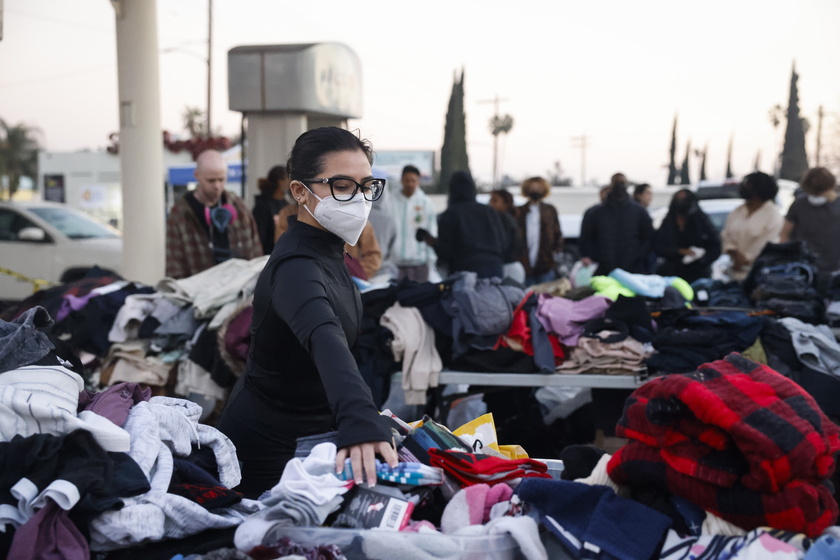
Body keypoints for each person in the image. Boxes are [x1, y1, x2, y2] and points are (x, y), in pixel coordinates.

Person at [216, 127, 398, 498]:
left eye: (366, 186)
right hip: (266, 454)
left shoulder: (332, 253)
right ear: (300, 192)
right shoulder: (296, 266)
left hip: (314, 441)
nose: (360, 199)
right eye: (343, 185)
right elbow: (324, 337)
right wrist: (360, 417)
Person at [165, 149, 262, 279]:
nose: (217, 186)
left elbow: (255, 252)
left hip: (240, 289)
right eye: (211, 181)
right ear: (197, 175)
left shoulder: (239, 206)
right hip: (199, 293)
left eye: (221, 179)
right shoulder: (180, 213)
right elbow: (174, 263)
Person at [416, 171, 513, 278]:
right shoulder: (489, 211)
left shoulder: (450, 214)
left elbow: (445, 251)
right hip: (494, 270)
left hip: (464, 273)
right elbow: (504, 242)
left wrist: (431, 242)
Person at [579, 173, 654, 276]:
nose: (619, 187)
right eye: (617, 183)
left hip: (632, 267)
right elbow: (587, 238)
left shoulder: (639, 212)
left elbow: (648, 238)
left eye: (622, 183)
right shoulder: (595, 213)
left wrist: (638, 256)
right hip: (605, 267)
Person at [780, 167, 840, 290]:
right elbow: (784, 234)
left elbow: (784, 234)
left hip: (833, 269)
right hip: (805, 268)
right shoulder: (799, 205)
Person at [720, 171, 783, 282]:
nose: (743, 188)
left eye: (747, 185)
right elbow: (726, 235)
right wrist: (733, 253)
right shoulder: (737, 212)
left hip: (759, 275)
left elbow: (767, 243)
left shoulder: (773, 215)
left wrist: (746, 259)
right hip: (732, 273)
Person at [653, 189, 721, 283]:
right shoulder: (668, 223)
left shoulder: (700, 222)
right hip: (673, 274)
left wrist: (701, 258)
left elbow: (715, 246)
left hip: (698, 274)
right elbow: (659, 246)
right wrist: (679, 251)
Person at [388, 165, 438, 282]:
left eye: (413, 180)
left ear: (418, 181)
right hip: (396, 263)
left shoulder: (426, 203)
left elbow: (432, 231)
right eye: (407, 180)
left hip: (420, 262)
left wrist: (431, 259)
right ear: (401, 180)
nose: (410, 184)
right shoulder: (391, 201)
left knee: (420, 297)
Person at [515, 176, 563, 285]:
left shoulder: (549, 210)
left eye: (539, 188)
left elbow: (557, 232)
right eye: (533, 188)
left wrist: (556, 251)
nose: (535, 191)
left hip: (545, 262)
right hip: (524, 261)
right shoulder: (520, 211)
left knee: (545, 294)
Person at [252, 165, 292, 255]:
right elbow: (259, 236)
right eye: (287, 178)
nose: (290, 182)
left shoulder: (287, 204)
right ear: (280, 181)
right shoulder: (263, 206)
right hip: (268, 255)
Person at [489, 189, 526, 283]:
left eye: (494, 200)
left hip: (508, 267)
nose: (490, 203)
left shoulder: (504, 220)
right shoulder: (507, 219)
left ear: (505, 204)